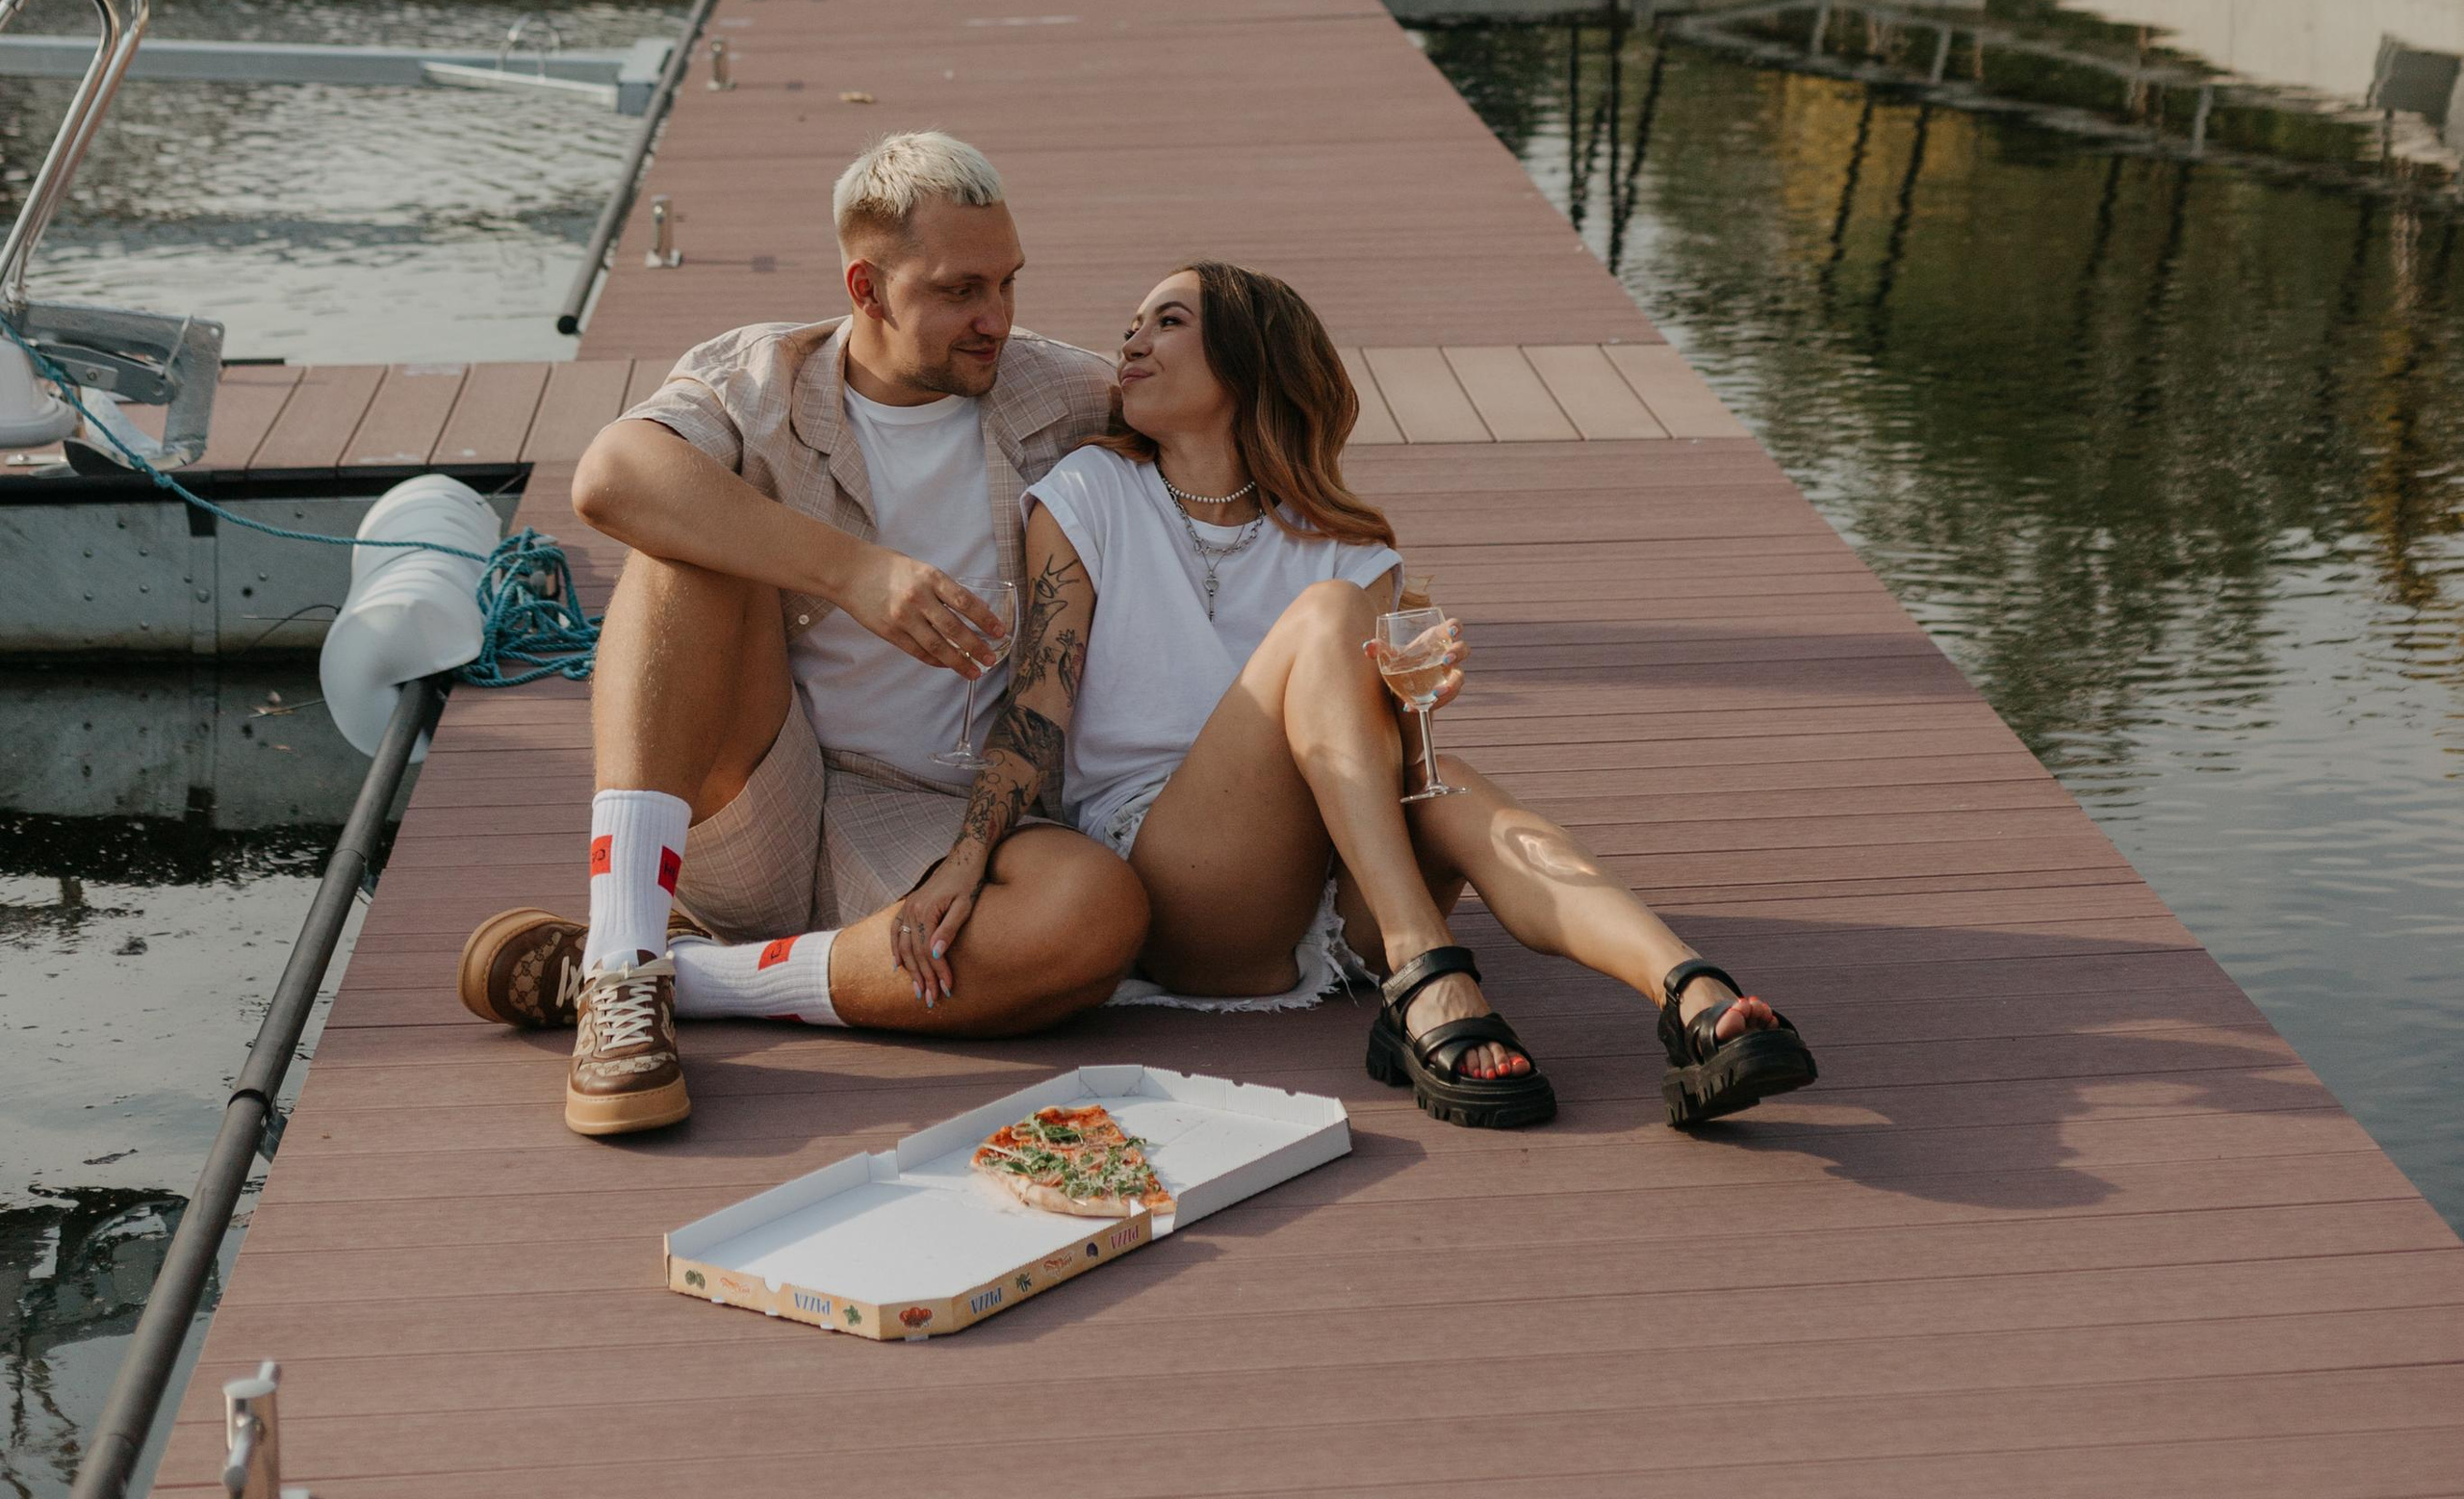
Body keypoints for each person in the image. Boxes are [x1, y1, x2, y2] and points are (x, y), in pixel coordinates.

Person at [891, 260, 1819, 1132]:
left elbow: (1381, 768)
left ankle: (1690, 992)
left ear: (1248, 362)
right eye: (1131, 325)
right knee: (1330, 615)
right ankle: (1425, 971)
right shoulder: (1091, 493)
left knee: (1446, 781)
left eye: (1167, 322)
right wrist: (968, 856)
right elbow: (1039, 704)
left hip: (1336, 898)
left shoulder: (1346, 546)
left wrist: (1417, 710)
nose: (1131, 342)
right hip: (1179, 884)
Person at [454, 130, 1145, 1137]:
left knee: (1096, 918)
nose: (995, 318)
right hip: (760, 789)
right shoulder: (760, 379)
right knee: (684, 534)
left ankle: (679, 979)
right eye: (959, 291)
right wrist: (855, 572)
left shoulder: (1069, 397)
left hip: (941, 824)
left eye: (1007, 282)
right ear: (867, 288)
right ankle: (622, 963)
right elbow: (610, 477)